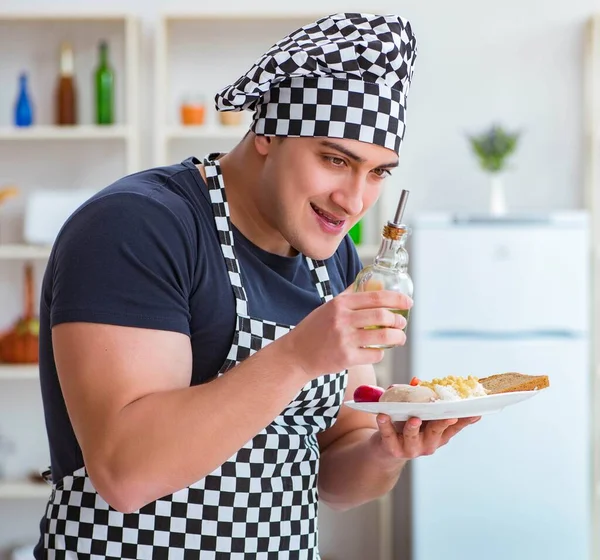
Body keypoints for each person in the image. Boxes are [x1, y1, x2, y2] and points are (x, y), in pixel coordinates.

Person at [34, 12, 479, 559]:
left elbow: (337, 475)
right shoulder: (137, 227)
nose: (355, 199)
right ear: (268, 132)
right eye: (335, 160)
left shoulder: (333, 256)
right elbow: (127, 474)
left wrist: (390, 448)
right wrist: (297, 357)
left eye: (378, 172)